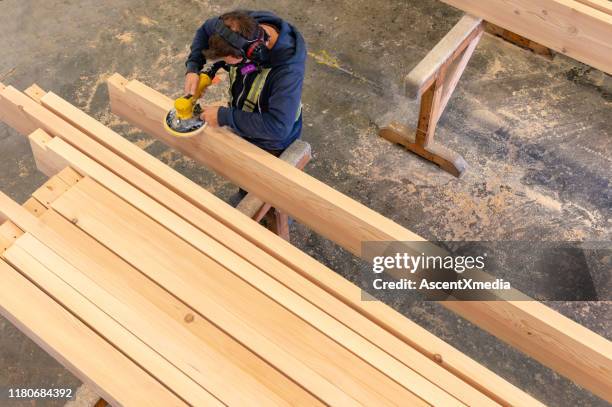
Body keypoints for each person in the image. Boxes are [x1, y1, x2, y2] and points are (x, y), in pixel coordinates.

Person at [184, 10, 307, 206]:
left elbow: (277, 127)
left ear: (254, 52)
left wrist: (225, 116)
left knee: (267, 193)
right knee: (244, 176)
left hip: (270, 139)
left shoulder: (288, 72)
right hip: (246, 114)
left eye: (228, 62)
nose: (224, 65)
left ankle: (272, 212)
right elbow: (205, 29)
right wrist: (193, 67)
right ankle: (246, 191)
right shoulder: (239, 27)